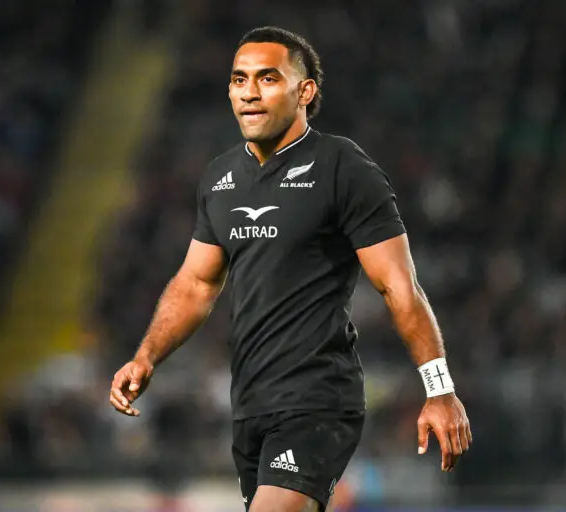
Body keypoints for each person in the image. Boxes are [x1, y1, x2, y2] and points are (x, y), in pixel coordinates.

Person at [110, 26, 472, 512]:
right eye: (239, 79)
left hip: (318, 399)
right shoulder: (220, 179)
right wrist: (146, 357)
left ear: (304, 92)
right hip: (250, 405)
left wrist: (440, 390)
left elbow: (399, 287)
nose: (249, 92)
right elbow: (196, 284)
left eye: (267, 78)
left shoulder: (343, 168)